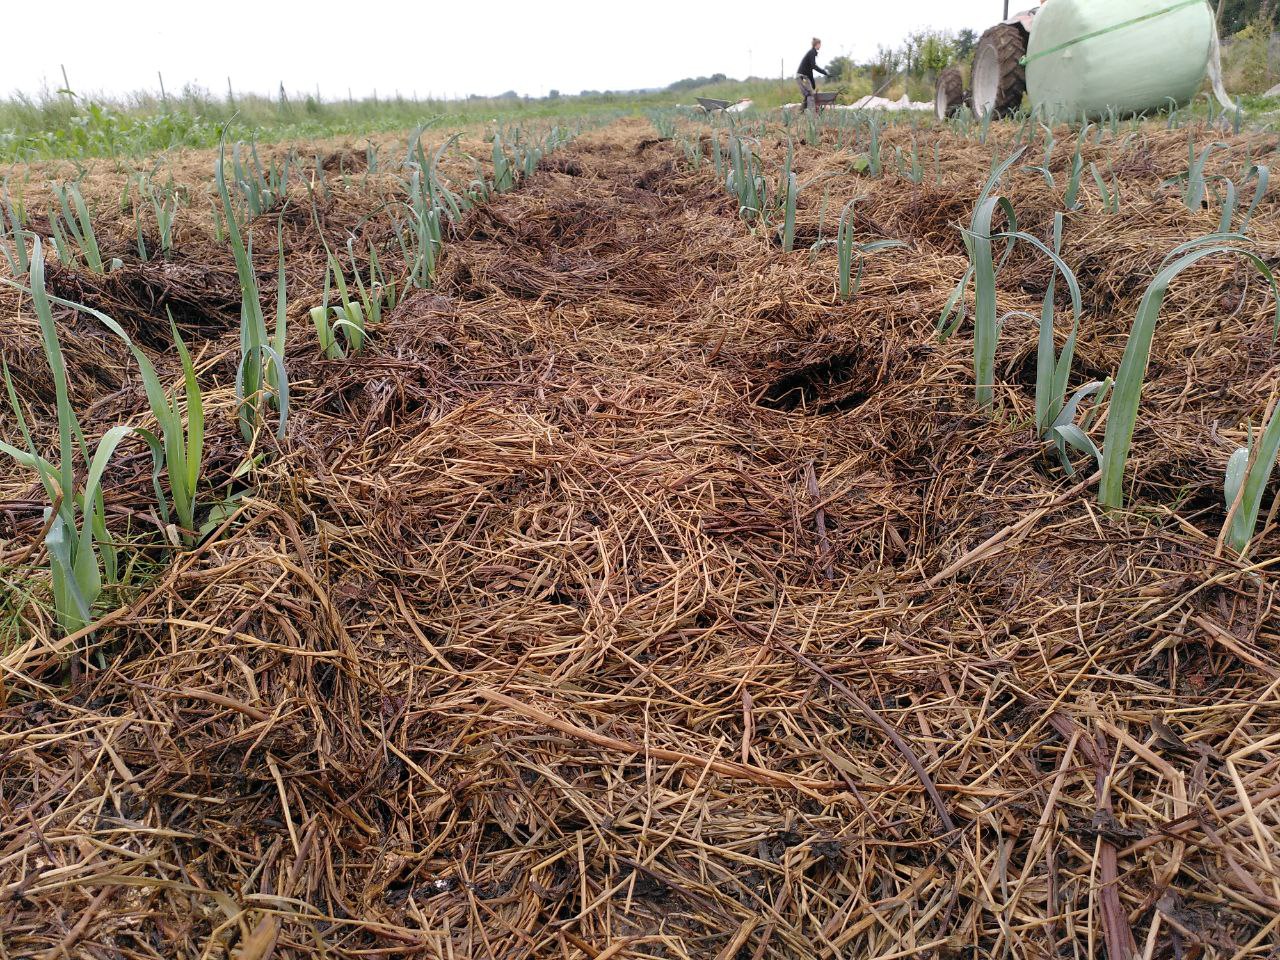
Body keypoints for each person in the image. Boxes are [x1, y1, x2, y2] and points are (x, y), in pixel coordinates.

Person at [797, 38, 829, 112]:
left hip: (805, 76)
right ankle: (811, 112)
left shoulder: (812, 52)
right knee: (810, 94)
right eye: (820, 44)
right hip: (801, 76)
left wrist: (813, 83)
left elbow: (810, 70)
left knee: (808, 94)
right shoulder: (812, 52)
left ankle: (800, 112)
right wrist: (824, 72)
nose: (820, 46)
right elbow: (813, 66)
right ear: (816, 44)